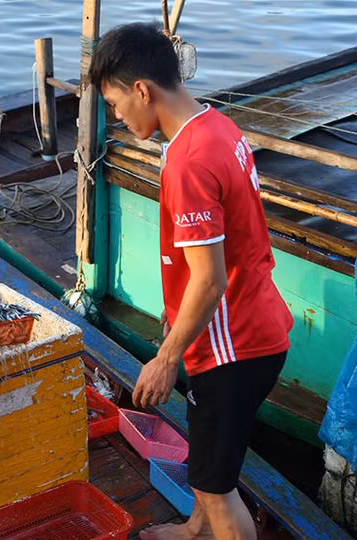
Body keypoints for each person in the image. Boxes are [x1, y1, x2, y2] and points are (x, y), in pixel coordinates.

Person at [90, 23, 294, 540]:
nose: (117, 117)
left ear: (142, 90)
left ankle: (212, 525)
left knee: (218, 487)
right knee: (208, 466)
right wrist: (177, 316)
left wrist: (165, 358)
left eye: (114, 104)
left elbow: (209, 280)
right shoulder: (217, 126)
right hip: (253, 324)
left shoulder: (189, 160)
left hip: (233, 348)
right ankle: (195, 530)